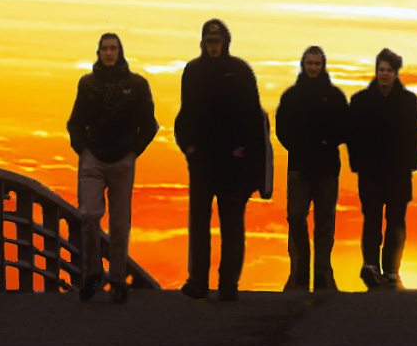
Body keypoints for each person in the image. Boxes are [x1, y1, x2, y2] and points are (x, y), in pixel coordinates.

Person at [172, 18, 268, 297]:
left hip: (233, 163)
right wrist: (188, 146)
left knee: (232, 225)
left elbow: (253, 116)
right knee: (199, 223)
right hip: (201, 161)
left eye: (217, 41)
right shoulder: (192, 71)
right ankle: (198, 281)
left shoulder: (239, 71)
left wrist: (245, 152)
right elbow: (185, 113)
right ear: (203, 42)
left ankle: (229, 283)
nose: (213, 46)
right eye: (209, 41)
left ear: (225, 42)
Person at [66, 31, 157, 301]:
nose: (108, 53)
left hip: (122, 160)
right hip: (92, 158)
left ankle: (117, 279)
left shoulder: (137, 85)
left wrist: (133, 152)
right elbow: (75, 122)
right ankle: (93, 273)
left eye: (113, 48)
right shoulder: (88, 84)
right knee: (89, 216)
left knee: (119, 224)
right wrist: (82, 149)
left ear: (120, 52)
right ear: (99, 52)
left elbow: (149, 125)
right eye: (104, 48)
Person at [345, 48, 417, 288]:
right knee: (371, 219)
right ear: (376, 71)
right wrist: (358, 163)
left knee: (396, 220)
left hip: (399, 172)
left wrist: (410, 161)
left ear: (396, 72)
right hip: (370, 172)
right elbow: (351, 134)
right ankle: (370, 265)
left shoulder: (409, 101)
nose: (384, 74)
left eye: (389, 70)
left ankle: (391, 269)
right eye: (381, 70)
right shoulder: (360, 100)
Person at [273, 46, 347, 294]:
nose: (313, 68)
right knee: (296, 218)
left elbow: (345, 128)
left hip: (327, 169)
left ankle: (323, 274)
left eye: (317, 64)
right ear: (303, 65)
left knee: (325, 221)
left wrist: (327, 141)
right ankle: (299, 272)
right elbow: (281, 129)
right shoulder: (291, 96)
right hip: (298, 168)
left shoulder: (335, 96)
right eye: (309, 63)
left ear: (323, 65)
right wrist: (299, 146)